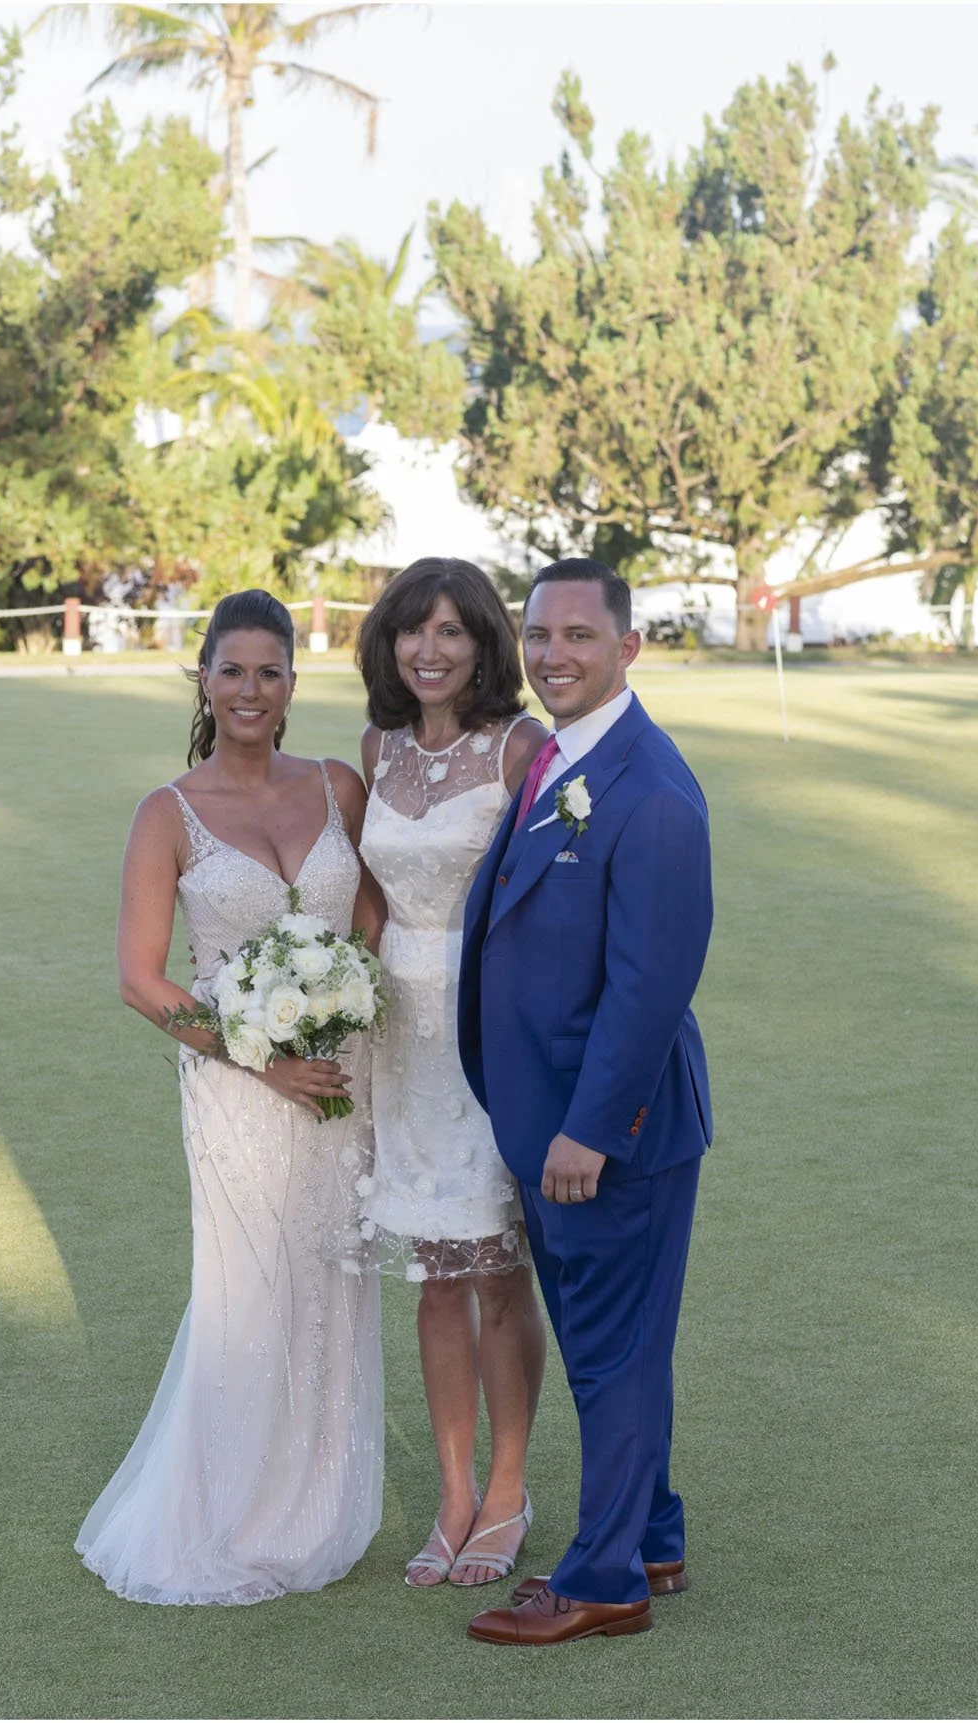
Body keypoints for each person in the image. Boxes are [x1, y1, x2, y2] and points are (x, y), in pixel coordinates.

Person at [76, 589, 386, 1606]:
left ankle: (314, 1508)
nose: (250, 689)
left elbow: (372, 918)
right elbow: (140, 980)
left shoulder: (338, 787)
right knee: (248, 1292)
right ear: (202, 678)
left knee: (330, 1281)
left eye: (269, 671)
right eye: (232, 670)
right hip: (235, 1091)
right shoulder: (164, 814)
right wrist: (265, 1059)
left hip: (339, 1081)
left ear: (293, 683)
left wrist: (340, 1010)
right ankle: (228, 1517)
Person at [456, 558, 714, 1646]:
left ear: (627, 647)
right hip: (546, 1123)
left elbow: (651, 985)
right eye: (538, 635)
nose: (552, 654)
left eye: (578, 635)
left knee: (611, 1354)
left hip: (605, 1137)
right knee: (615, 1348)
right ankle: (651, 1535)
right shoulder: (563, 758)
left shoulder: (650, 790)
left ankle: (604, 1578)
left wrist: (590, 1130)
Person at [353, 558, 550, 1590]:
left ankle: (508, 1491)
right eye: (409, 631)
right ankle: (453, 1494)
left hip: (489, 1029)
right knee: (435, 1275)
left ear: (482, 645)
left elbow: (554, 894)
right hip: (400, 1039)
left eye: (449, 632)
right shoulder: (376, 746)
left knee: (498, 1269)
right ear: (387, 643)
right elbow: (369, 901)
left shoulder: (519, 746)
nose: (426, 651)